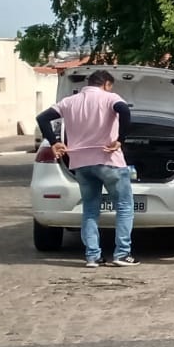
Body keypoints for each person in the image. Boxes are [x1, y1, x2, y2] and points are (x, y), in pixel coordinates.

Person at [49, 69, 136, 269]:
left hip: (80, 163)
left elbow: (43, 118)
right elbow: (124, 111)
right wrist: (120, 140)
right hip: (109, 160)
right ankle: (122, 254)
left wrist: (54, 142)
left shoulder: (69, 102)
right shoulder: (110, 98)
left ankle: (92, 256)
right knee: (123, 206)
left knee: (89, 209)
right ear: (106, 84)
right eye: (110, 86)